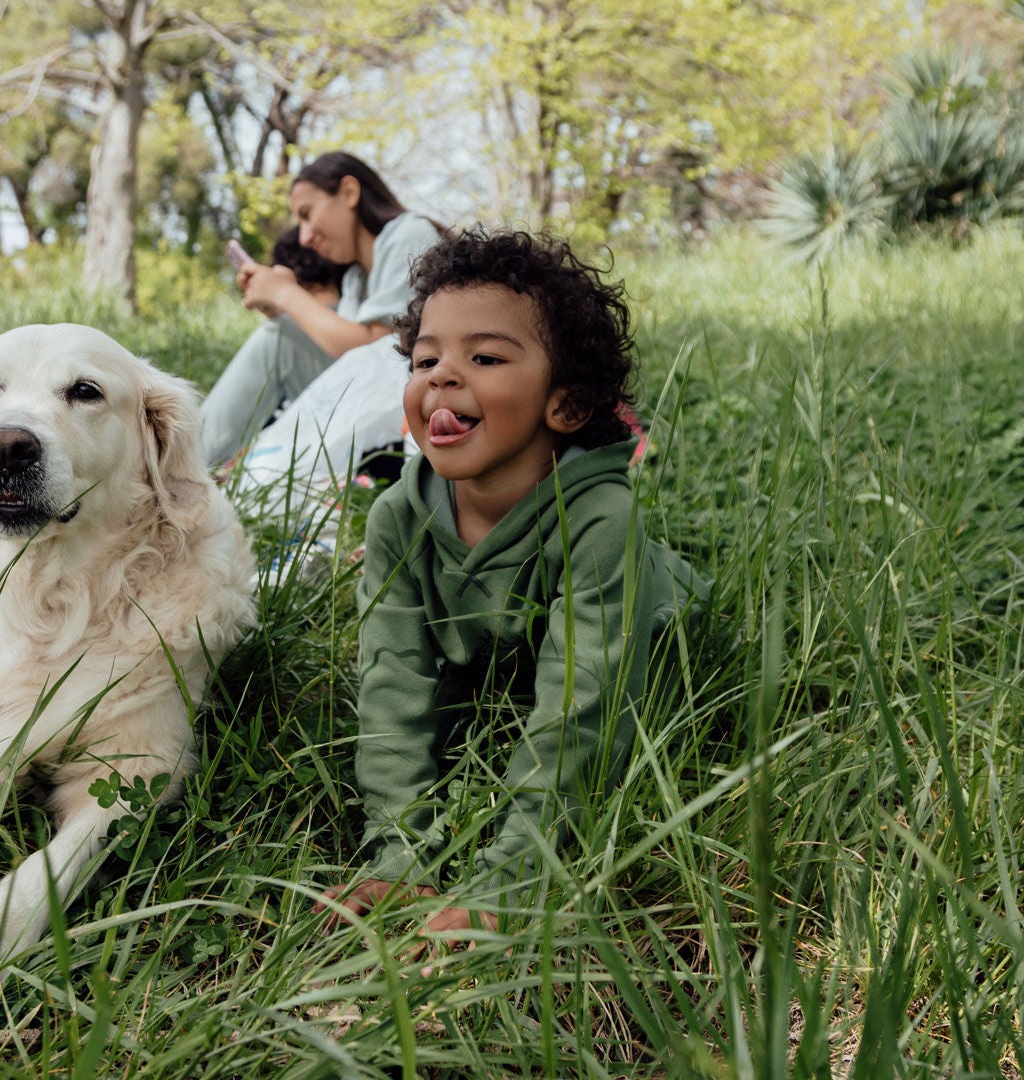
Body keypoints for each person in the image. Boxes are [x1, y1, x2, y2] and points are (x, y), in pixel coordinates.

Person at [316, 229, 704, 939]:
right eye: (426, 357)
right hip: (502, 656)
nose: (442, 374)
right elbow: (392, 679)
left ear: (565, 404)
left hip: (646, 628)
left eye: (485, 357)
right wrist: (398, 850)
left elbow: (582, 708)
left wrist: (515, 874)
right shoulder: (398, 517)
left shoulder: (596, 518)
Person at [200, 153, 442, 488]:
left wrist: (288, 296)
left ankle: (182, 465)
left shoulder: (409, 234)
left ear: (349, 192)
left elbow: (379, 352)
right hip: (374, 418)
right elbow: (342, 363)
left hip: (412, 412)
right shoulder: (355, 280)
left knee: (280, 339)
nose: (303, 236)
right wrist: (282, 306)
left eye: (306, 214)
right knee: (282, 333)